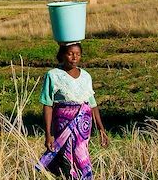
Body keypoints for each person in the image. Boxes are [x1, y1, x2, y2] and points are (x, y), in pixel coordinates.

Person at [36, 42, 109, 179]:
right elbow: (47, 105)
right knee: (66, 157)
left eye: (78, 54)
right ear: (62, 55)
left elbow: (92, 104)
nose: (74, 57)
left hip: (83, 126)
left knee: (81, 154)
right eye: (70, 54)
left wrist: (101, 129)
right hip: (62, 125)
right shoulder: (53, 75)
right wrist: (49, 134)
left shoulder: (86, 76)